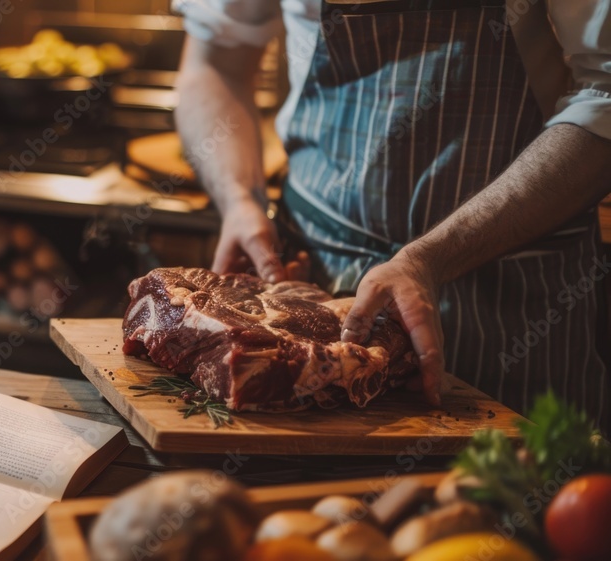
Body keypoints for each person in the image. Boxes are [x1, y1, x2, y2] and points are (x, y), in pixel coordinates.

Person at [174, 0, 611, 432]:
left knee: (514, 494)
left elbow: (604, 93)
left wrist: (428, 259)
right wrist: (237, 198)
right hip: (317, 277)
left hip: (513, 303)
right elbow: (216, 60)